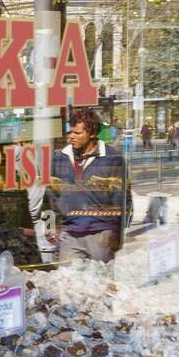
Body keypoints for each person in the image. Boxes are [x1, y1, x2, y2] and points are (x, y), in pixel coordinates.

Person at [43, 108, 131, 264]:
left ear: (92, 134)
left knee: (101, 282)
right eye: (70, 132)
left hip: (102, 235)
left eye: (77, 133)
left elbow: (123, 200)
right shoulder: (59, 158)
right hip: (70, 234)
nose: (71, 137)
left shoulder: (112, 159)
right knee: (68, 282)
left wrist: (118, 232)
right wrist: (50, 227)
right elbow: (50, 196)